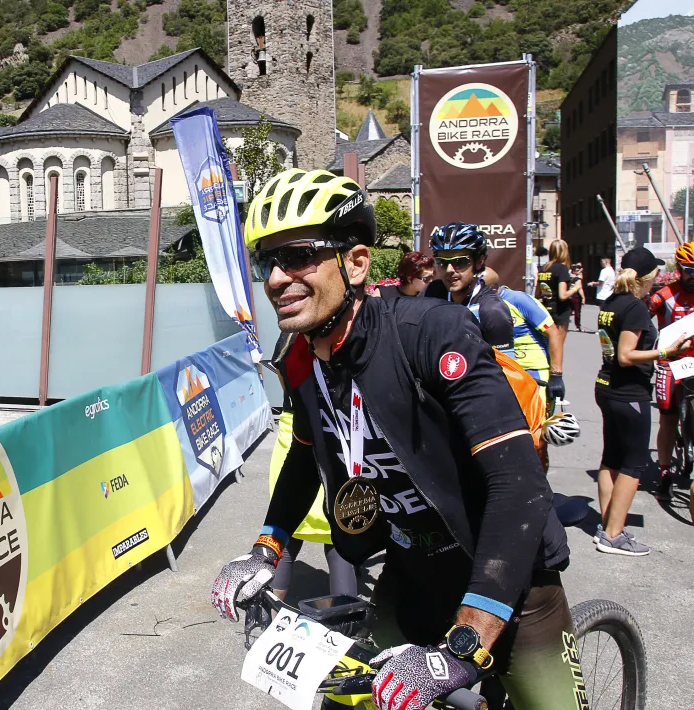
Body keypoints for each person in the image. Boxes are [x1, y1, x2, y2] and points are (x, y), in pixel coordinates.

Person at [211, 169, 580, 710]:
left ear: (356, 263)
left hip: (504, 570)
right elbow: (304, 459)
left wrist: (468, 640)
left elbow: (517, 484)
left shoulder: (432, 334)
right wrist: (266, 549)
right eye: (267, 262)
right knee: (350, 701)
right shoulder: (300, 360)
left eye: (298, 257)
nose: (275, 279)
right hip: (412, 569)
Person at [595, 247, 692, 556]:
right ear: (647, 278)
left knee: (611, 458)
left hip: (607, 387)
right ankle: (614, 534)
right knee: (634, 464)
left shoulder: (610, 302)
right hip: (628, 392)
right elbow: (626, 355)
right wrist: (665, 353)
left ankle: (607, 525)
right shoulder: (635, 307)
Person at [267, 332, 358, 602]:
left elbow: (283, 377)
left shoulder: (288, 336)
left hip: (295, 430)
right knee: (339, 539)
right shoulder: (338, 331)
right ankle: (344, 632)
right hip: (333, 435)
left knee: (284, 533)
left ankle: (270, 623)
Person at [647, 242, 694, 500]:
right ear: (679, 269)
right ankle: (665, 471)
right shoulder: (664, 295)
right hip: (671, 360)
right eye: (690, 271)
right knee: (668, 416)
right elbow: (637, 318)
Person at [424, 222, 514, 354]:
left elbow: (506, 372)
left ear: (479, 262)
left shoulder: (492, 310)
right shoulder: (432, 292)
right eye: (442, 262)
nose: (449, 270)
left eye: (459, 262)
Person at [483, 268, 555, 407]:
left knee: (536, 420)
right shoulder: (479, 305)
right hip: (504, 372)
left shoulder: (517, 300)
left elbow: (554, 333)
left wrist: (557, 375)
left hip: (532, 370)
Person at [536, 240, 581, 402]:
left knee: (547, 348)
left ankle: (545, 386)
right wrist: (575, 288)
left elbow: (537, 294)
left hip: (546, 311)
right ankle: (554, 390)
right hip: (560, 312)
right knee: (557, 350)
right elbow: (563, 295)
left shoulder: (544, 269)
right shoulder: (562, 269)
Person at [569, 263, 585, 331]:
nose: (579, 272)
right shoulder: (577, 279)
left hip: (569, 296)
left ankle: (563, 324)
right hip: (576, 297)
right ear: (574, 271)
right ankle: (578, 326)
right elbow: (580, 288)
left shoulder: (568, 278)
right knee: (577, 312)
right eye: (577, 270)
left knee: (569, 311)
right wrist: (583, 298)